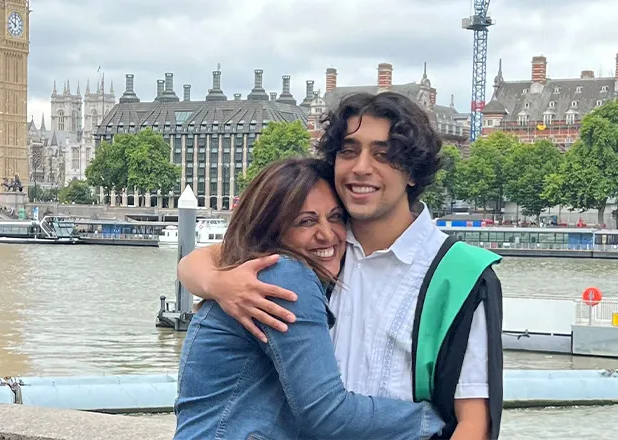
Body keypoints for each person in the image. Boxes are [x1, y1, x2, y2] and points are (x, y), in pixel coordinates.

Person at [178, 92, 504, 440]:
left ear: (412, 171)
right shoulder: (320, 248)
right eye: (348, 151)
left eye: (384, 154)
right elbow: (210, 257)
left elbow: (473, 423)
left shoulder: (460, 276)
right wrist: (216, 283)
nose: (362, 167)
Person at [174, 157, 444, 440]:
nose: (326, 234)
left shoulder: (246, 267)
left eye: (336, 217)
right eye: (306, 221)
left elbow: (199, 259)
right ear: (271, 228)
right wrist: (432, 417)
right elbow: (328, 414)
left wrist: (211, 280)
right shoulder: (283, 275)